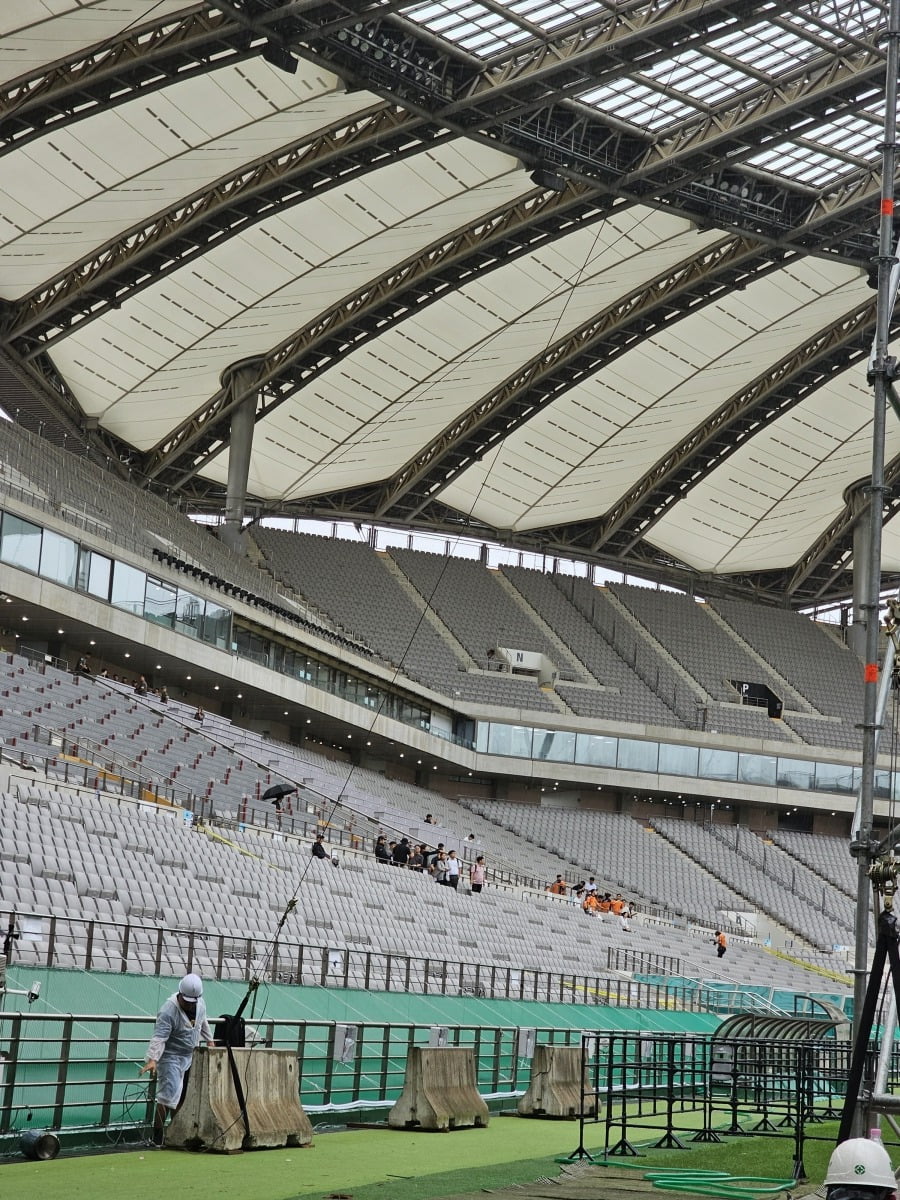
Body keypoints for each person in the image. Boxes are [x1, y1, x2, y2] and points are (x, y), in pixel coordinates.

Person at [139, 973, 215, 1144]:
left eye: (192, 1002)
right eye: (186, 1001)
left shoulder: (199, 1003)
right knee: (167, 1096)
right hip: (171, 1057)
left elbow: (203, 1021)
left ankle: (176, 1133)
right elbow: (159, 1037)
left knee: (181, 1097)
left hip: (189, 1055)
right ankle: (157, 1136)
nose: (188, 1005)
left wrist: (209, 1040)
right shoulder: (168, 1010)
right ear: (180, 994)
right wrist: (153, 1059)